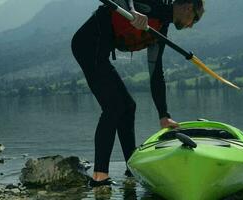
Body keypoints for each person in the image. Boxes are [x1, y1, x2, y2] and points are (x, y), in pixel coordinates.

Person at [71, 0, 204, 187]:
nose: (191, 25)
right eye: (194, 20)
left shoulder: (161, 29)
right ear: (188, 7)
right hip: (87, 45)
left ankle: (131, 167)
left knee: (128, 106)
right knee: (113, 107)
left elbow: (156, 73)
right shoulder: (154, 3)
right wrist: (133, 10)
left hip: (100, 51)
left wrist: (163, 115)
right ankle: (100, 177)